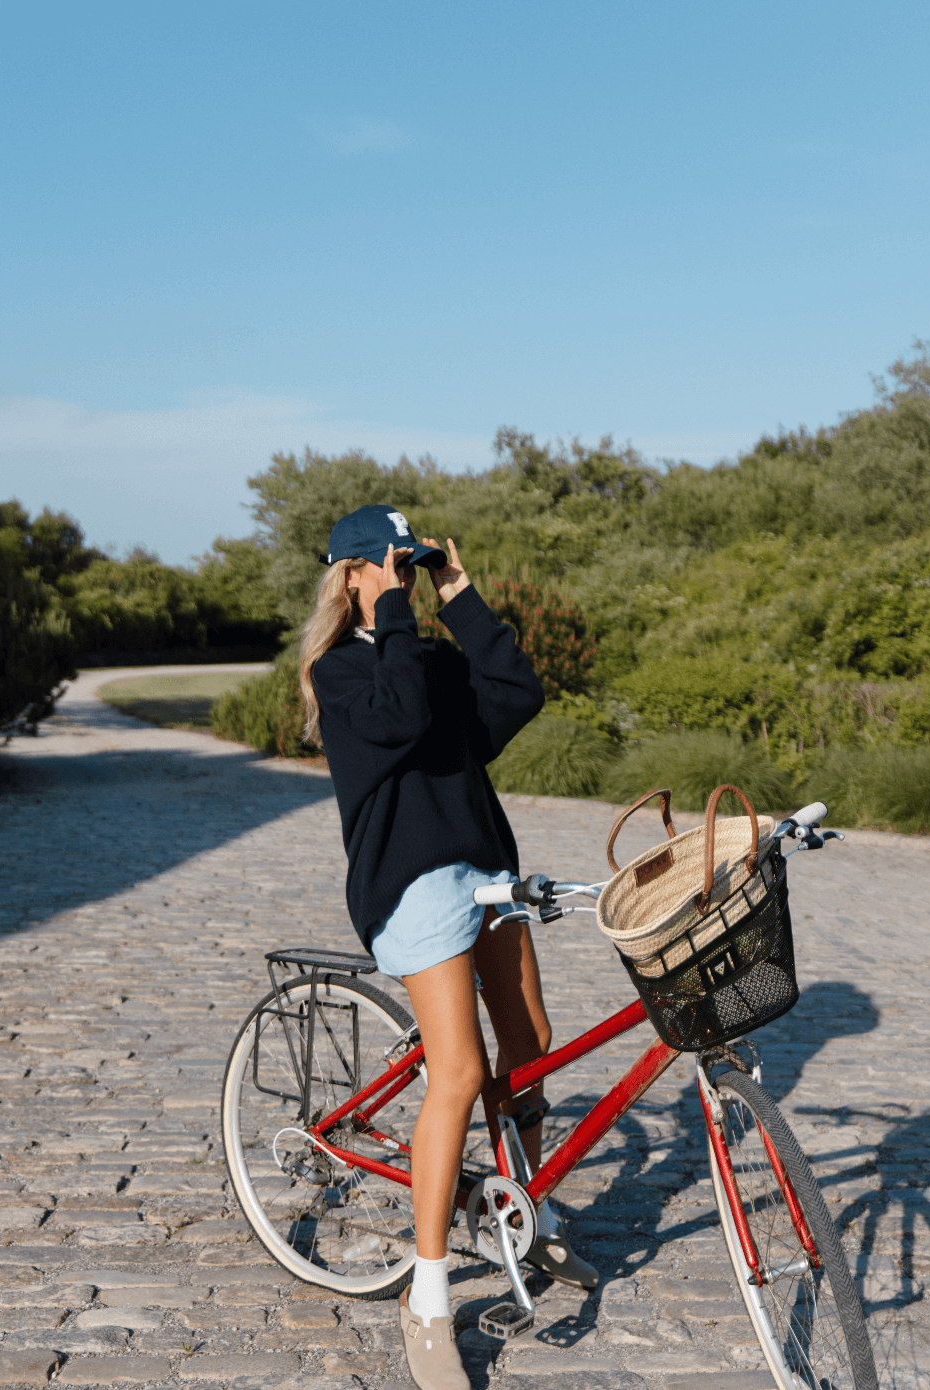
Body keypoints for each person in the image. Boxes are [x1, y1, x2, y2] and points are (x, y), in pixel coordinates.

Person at [299, 504, 597, 1390]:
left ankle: (526, 1219)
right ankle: (426, 1297)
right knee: (460, 1074)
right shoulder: (339, 671)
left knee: (532, 1046)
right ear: (352, 572)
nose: (403, 577)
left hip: (486, 868)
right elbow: (394, 720)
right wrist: (393, 613)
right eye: (389, 564)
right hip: (414, 880)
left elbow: (514, 697)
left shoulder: (423, 652)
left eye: (412, 563)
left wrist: (459, 597)